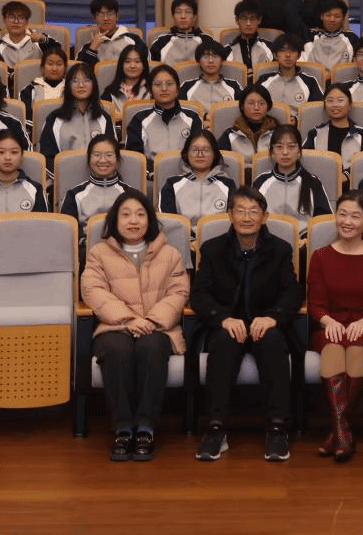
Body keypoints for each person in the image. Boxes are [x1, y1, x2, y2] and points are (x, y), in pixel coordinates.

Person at [192, 187, 302, 462]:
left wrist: (273, 317)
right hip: (227, 323)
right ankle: (216, 428)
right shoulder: (213, 249)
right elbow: (200, 295)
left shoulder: (280, 249)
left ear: (265, 217)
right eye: (240, 211)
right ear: (230, 215)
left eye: (254, 211)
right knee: (223, 343)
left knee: (273, 341)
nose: (247, 217)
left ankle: (277, 427)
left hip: (265, 323)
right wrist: (223, 318)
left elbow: (292, 293)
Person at [81, 191, 189, 462]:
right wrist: (128, 319)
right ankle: (122, 428)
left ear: (149, 220)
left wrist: (151, 321)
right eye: (126, 215)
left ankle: (145, 428)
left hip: (158, 327)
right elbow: (93, 290)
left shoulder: (170, 254)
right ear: (114, 220)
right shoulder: (98, 253)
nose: (133, 221)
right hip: (114, 327)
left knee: (151, 348)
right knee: (116, 350)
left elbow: (179, 292)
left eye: (140, 214)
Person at [307, 190, 363, 462]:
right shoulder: (320, 256)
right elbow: (315, 304)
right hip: (330, 325)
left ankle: (337, 432)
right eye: (342, 214)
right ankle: (344, 432)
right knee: (333, 348)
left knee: (357, 349)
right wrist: (328, 321)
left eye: (355, 216)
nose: (347, 221)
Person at [60, 134, 140, 261]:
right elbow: (67, 233)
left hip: (125, 254)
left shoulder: (132, 195)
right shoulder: (74, 195)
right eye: (96, 155)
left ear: (117, 159)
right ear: (89, 159)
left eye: (109, 155)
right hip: (87, 255)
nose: (103, 160)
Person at [251, 124, 332, 229]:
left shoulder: (313, 183)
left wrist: (307, 237)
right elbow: (252, 217)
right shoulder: (260, 182)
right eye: (279, 147)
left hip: (303, 238)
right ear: (272, 151)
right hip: (268, 237)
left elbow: (324, 223)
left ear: (299, 150)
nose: (285, 152)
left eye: (291, 146)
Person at [38, 61, 116, 168]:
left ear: (93, 85)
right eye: (75, 81)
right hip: (64, 175)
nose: (81, 85)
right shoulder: (54, 119)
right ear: (68, 86)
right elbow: (47, 158)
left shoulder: (104, 118)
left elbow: (113, 153)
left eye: (86, 80)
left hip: (99, 174)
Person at [158, 129, 238, 227]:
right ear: (186, 153)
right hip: (181, 236)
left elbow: (232, 221)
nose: (200, 155)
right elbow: (168, 223)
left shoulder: (228, 185)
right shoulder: (172, 184)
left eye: (206, 150)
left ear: (214, 154)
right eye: (195, 150)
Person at [124, 64, 203, 163]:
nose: (164, 88)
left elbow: (198, 155)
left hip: (185, 171)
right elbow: (134, 160)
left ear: (177, 89)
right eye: (158, 84)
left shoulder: (193, 118)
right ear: (150, 90)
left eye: (169, 84)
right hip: (150, 172)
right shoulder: (139, 119)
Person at [302, 82, 363, 170]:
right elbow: (304, 162)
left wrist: (346, 175)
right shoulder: (315, 134)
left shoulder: (362, 135)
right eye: (330, 101)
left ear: (350, 105)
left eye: (340, 100)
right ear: (324, 106)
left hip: (353, 179)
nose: (335, 105)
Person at [75, 0, 146, 69]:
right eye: (101, 14)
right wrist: (92, 49)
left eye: (110, 13)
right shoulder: (87, 47)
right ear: (94, 18)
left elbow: (146, 67)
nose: (106, 18)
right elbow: (80, 72)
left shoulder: (134, 40)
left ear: (117, 16)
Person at [257, 32, 323, 108]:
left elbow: (318, 109)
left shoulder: (310, 82)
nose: (288, 55)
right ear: (275, 55)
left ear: (299, 55)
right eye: (283, 50)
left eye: (292, 51)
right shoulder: (264, 80)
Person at [216, 84, 279, 161]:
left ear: (268, 106)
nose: (256, 107)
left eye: (261, 103)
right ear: (242, 106)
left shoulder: (278, 133)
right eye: (251, 103)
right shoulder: (230, 134)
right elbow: (218, 161)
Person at [178, 39, 242, 114]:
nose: (210, 61)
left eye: (215, 56)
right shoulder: (186, 87)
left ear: (222, 61)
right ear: (199, 61)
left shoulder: (234, 86)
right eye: (205, 57)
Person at [0, 0, 60, 68]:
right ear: (4, 20)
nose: (16, 21)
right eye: (11, 17)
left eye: (21, 18)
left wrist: (43, 39)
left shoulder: (40, 40)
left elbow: (58, 51)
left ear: (27, 22)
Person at [300, 0, 358, 67]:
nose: (332, 19)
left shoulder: (352, 38)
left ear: (343, 18)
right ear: (321, 16)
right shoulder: (310, 36)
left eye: (337, 16)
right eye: (328, 15)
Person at [149, 0, 206, 64]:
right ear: (173, 17)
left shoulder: (206, 40)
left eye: (188, 12)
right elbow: (151, 66)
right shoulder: (161, 42)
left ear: (194, 17)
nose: (183, 16)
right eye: (178, 12)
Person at [224, 0, 275, 72]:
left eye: (252, 18)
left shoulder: (271, 48)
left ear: (259, 20)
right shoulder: (226, 51)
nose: (248, 23)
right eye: (244, 18)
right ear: (237, 20)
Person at [101, 44, 151, 116]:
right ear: (121, 65)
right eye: (127, 61)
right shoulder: (109, 92)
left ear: (144, 65)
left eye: (137, 61)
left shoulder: (152, 91)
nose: (132, 66)